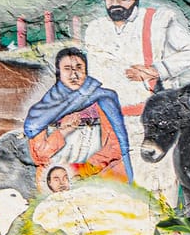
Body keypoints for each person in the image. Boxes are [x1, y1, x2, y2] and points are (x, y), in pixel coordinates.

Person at [81, 0, 190, 201]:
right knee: (130, 183)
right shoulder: (95, 29)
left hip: (154, 119)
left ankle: (167, 230)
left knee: (164, 178)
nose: (115, 2)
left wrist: (157, 69)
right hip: (117, 119)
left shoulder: (159, 21)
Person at [23, 46, 131, 185]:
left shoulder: (103, 100)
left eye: (79, 67)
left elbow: (115, 147)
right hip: (55, 182)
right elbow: (39, 155)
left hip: (96, 177)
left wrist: (84, 170)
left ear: (86, 71)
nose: (74, 75)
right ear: (58, 73)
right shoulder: (42, 111)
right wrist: (63, 131)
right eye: (67, 68)